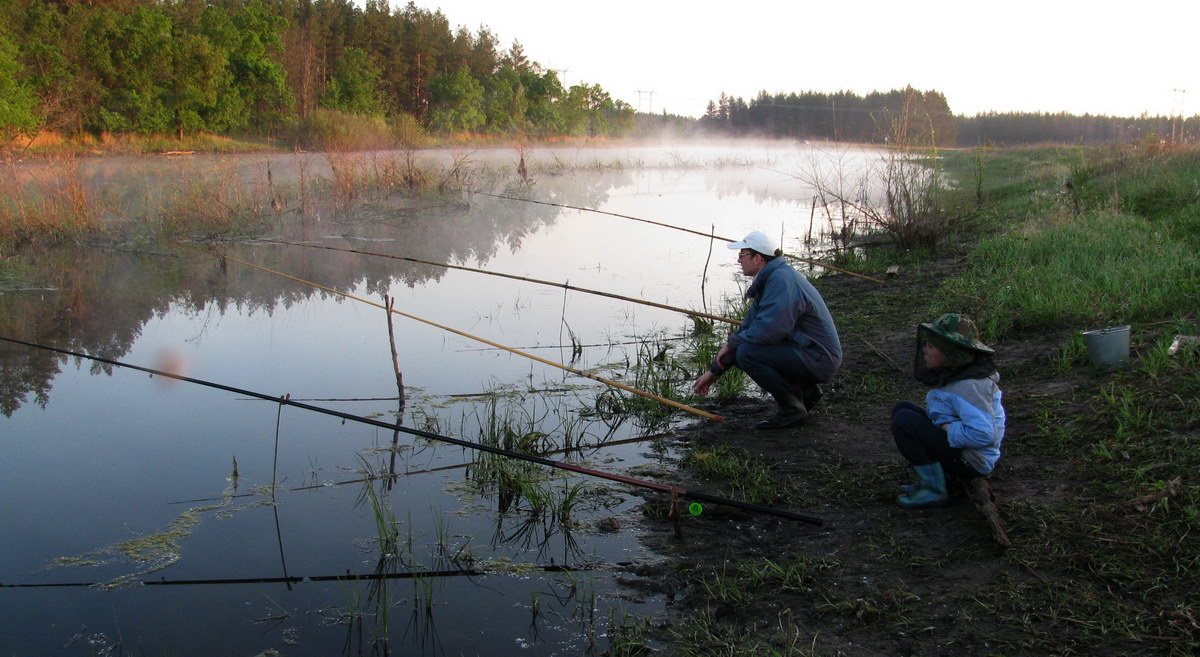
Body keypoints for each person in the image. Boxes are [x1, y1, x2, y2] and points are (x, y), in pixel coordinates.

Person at [692, 231, 842, 429]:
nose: (738, 260)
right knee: (742, 347)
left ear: (758, 258)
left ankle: (792, 410)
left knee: (747, 352)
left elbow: (770, 331)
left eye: (742, 255)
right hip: (809, 352)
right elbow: (749, 327)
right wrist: (714, 370)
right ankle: (806, 394)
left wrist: (733, 344)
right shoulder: (772, 279)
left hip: (819, 358)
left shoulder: (781, 280)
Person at [892, 313, 1006, 509]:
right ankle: (935, 477)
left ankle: (934, 490)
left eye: (931, 346)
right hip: (962, 450)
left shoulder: (970, 386)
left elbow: (984, 434)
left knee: (905, 421)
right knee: (904, 408)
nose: (925, 350)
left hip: (972, 461)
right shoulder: (956, 375)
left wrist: (944, 426)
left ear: (951, 353)